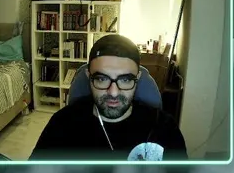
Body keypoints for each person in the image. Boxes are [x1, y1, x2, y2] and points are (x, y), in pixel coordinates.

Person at [30, 34, 188, 161]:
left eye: (125, 80)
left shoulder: (165, 128)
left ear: (138, 78)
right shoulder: (62, 124)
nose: (113, 92)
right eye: (102, 79)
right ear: (89, 76)